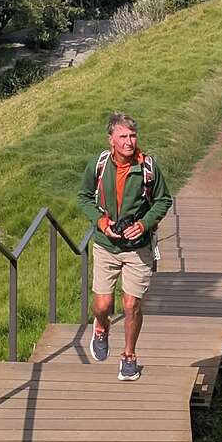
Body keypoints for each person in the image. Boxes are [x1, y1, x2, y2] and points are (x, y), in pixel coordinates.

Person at [78, 112, 173, 381]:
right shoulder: (99, 165)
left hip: (138, 248)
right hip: (105, 245)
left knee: (131, 305)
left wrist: (143, 224)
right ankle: (101, 327)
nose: (129, 141)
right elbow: (84, 197)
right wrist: (100, 222)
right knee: (102, 305)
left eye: (132, 136)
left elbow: (163, 200)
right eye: (123, 136)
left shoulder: (148, 168)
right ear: (111, 140)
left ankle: (129, 356)